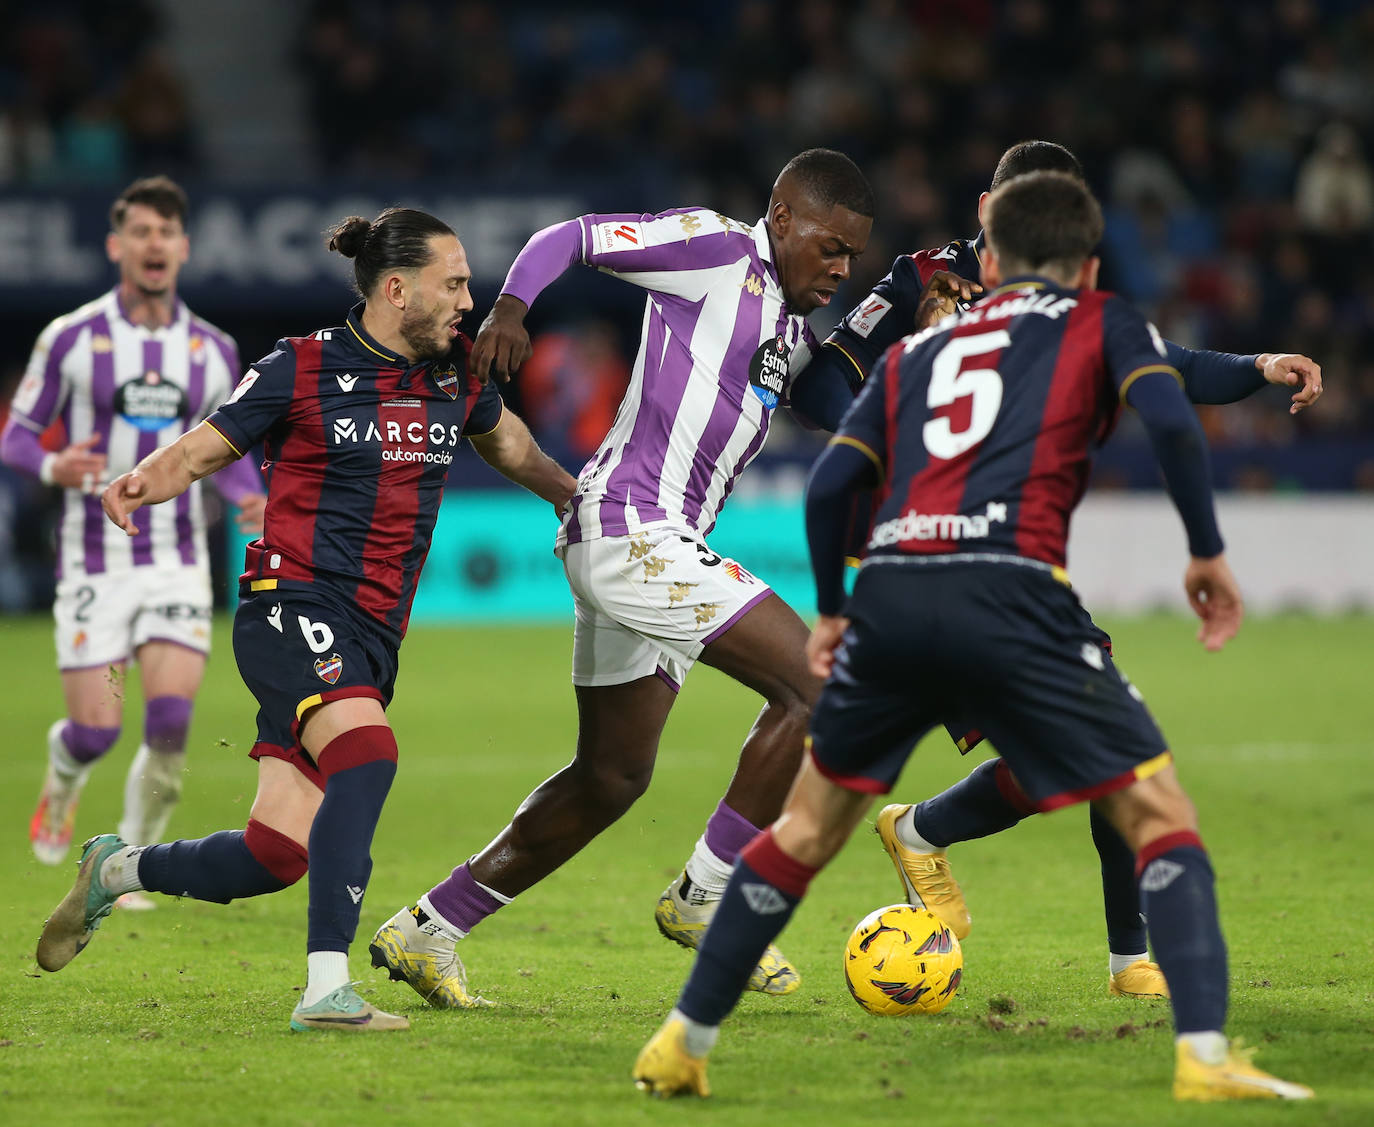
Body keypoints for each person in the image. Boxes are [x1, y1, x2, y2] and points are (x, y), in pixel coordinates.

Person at [633, 170, 1312, 1102]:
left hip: (895, 597)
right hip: (1013, 591)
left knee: (803, 831)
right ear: (1089, 263)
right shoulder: (1096, 321)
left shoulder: (922, 352)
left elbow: (832, 484)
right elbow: (1172, 420)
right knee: (1157, 811)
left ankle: (682, 1041)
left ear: (991, 256)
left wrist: (834, 607)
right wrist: (1206, 553)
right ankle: (1202, 1057)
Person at [368, 148, 893, 1008]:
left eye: (854, 257)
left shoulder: (791, 332)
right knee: (821, 685)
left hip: (640, 543)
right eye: (830, 247)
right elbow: (568, 236)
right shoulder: (718, 250)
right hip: (633, 529)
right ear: (785, 218)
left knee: (612, 776)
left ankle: (430, 926)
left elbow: (830, 402)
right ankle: (710, 895)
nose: (839, 267)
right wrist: (509, 307)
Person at [35, 206, 578, 1033]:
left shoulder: (456, 372)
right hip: (291, 603)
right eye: (455, 283)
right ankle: (327, 988)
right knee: (367, 756)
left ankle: (117, 868)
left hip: (373, 634)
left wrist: (584, 502)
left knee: (274, 854)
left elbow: (515, 450)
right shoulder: (302, 364)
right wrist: (140, 480)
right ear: (397, 290)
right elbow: (205, 448)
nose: (471, 299)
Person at [809, 140, 1323, 1000]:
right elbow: (829, 374)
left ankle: (948, 850)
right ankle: (924, 844)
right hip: (918, 553)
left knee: (1092, 738)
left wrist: (1260, 367)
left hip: (1003, 559)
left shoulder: (1068, 298)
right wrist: (879, 446)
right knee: (1103, 739)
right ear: (987, 208)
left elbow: (1170, 367)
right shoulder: (919, 281)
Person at [0, 176, 266, 906]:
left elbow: (227, 450)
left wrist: (250, 502)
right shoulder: (72, 337)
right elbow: (16, 436)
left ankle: (124, 864)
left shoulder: (211, 348)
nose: (155, 245)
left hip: (178, 560)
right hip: (94, 560)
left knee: (173, 721)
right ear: (118, 245)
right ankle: (63, 777)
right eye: (141, 232)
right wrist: (56, 463)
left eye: (167, 233)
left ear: (182, 248)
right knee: (95, 732)